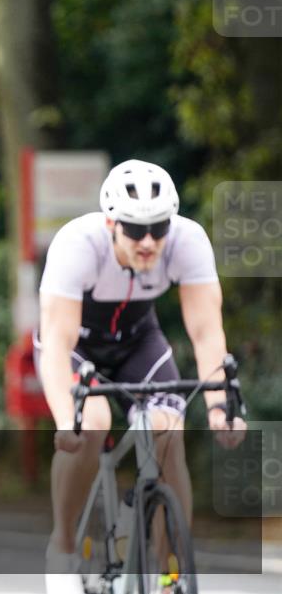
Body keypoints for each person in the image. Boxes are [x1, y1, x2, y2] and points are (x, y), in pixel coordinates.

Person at [35, 159, 247, 592]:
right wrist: (65, 421)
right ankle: (62, 545)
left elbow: (207, 332)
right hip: (77, 346)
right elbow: (56, 342)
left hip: (137, 341)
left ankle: (172, 572)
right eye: (134, 229)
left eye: (159, 228)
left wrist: (220, 408)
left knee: (168, 433)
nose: (149, 241)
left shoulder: (188, 241)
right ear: (111, 222)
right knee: (90, 427)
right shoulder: (77, 243)